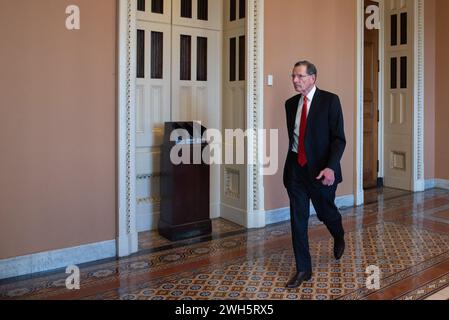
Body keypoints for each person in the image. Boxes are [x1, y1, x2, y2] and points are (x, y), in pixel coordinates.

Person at [283, 61, 346, 289]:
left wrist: (330, 167)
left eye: (299, 76)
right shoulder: (290, 104)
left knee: (326, 213)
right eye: (293, 76)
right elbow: (296, 140)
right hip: (296, 171)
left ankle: (338, 236)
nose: (295, 80)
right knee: (298, 220)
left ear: (313, 78)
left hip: (322, 171)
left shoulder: (330, 101)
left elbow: (338, 139)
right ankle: (303, 269)